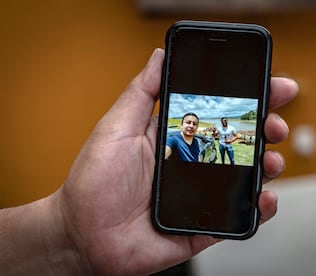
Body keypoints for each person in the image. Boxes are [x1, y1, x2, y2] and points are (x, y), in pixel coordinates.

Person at [0, 48, 298, 275]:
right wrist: (66, 233)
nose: (192, 126)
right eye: (188, 121)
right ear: (182, 125)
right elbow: (167, 152)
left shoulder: (215, 133)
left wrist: (67, 236)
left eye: (196, 122)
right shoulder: (170, 140)